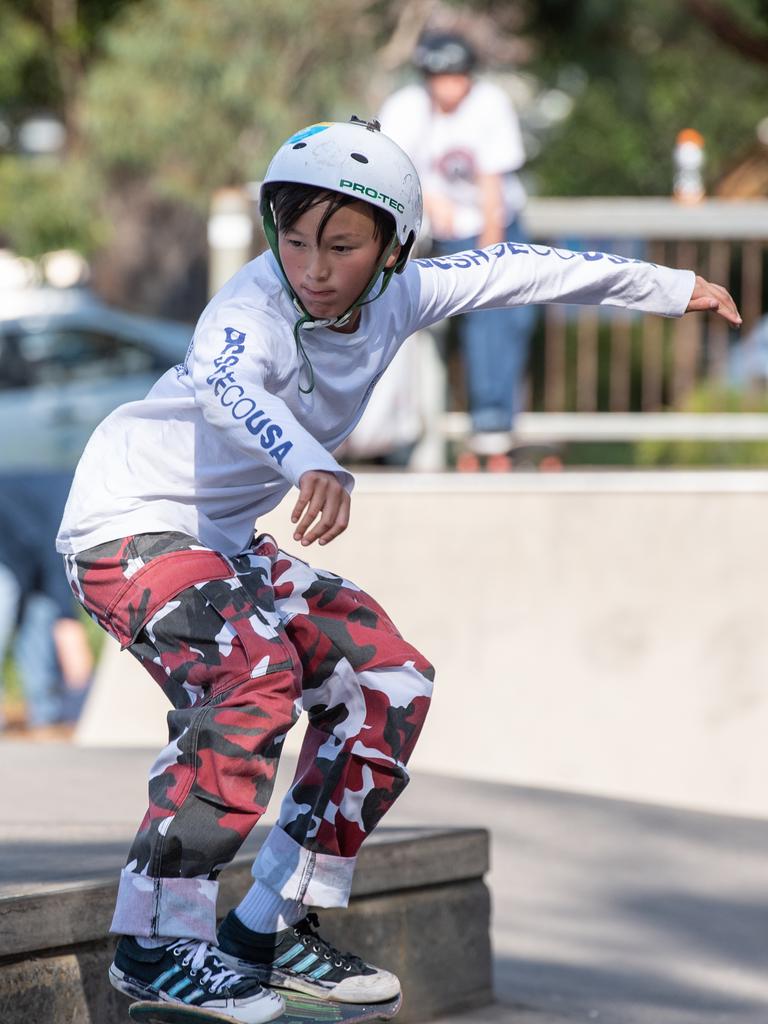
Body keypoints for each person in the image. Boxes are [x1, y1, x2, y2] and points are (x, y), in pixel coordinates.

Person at [56, 117, 740, 1023]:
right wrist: (308, 461)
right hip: (126, 531)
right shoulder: (245, 310)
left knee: (388, 676)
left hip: (218, 540)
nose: (313, 267)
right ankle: (155, 943)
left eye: (341, 246)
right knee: (251, 678)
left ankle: (267, 928)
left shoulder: (406, 293)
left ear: (391, 247)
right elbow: (229, 390)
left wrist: (669, 285)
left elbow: (518, 268)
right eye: (295, 241)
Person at [378, 30, 536, 470]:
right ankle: (397, 433)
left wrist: (490, 257)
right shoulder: (405, 109)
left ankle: (491, 426)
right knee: (400, 318)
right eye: (440, 77)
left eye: (457, 77)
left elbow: (493, 185)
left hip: (490, 225)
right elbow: (390, 170)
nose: (450, 86)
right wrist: (430, 201)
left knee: (497, 319)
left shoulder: (490, 104)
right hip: (425, 233)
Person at [0, 471, 92, 737]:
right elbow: (67, 624)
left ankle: (46, 717)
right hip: (6, 553)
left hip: (31, 553)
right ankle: (62, 712)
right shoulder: (70, 502)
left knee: (40, 625)